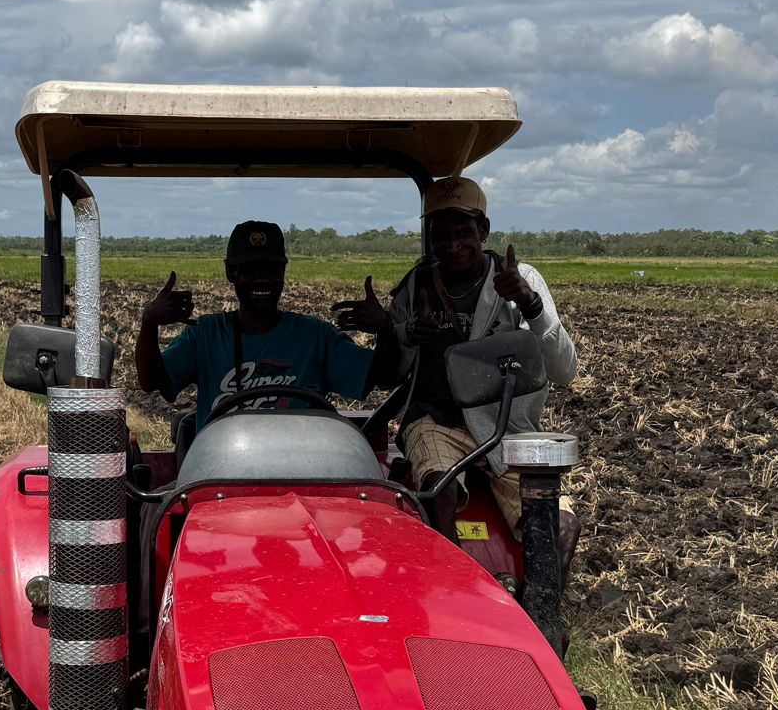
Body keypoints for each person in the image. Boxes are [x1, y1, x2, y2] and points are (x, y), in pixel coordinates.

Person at [332, 176, 576, 532]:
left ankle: (538, 591)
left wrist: (530, 304)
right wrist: (393, 329)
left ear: (484, 229)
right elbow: (389, 378)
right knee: (438, 493)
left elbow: (565, 370)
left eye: (463, 232)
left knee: (561, 530)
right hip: (436, 422)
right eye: (441, 235)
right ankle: (452, 582)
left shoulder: (520, 280)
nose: (452, 245)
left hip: (508, 429)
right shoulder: (415, 286)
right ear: (430, 237)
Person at [136, 221, 377, 434]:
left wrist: (385, 329)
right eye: (250, 269)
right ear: (231, 272)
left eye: (271, 268)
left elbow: (382, 376)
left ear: (282, 272)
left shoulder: (316, 336)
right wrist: (149, 323)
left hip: (303, 466)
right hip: (223, 467)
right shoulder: (205, 335)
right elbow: (150, 381)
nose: (262, 278)